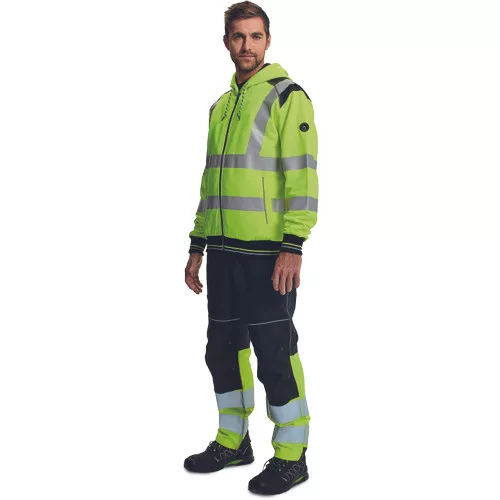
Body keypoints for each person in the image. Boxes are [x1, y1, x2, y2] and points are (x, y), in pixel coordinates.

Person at [183, 1, 318, 495]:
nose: (247, 45)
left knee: (275, 354)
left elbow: (302, 177)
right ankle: (232, 441)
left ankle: (292, 456)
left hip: (267, 254)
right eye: (238, 36)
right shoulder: (220, 107)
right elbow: (210, 182)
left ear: (268, 41)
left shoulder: (288, 97)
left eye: (255, 36)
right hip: (222, 253)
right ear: (226, 42)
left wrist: (293, 244)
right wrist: (197, 244)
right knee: (222, 350)